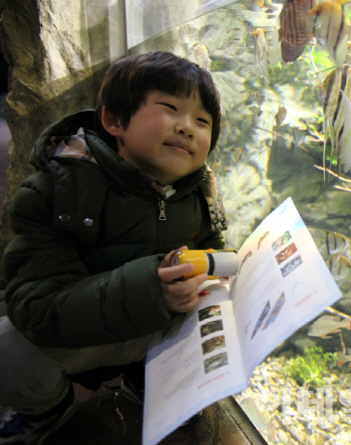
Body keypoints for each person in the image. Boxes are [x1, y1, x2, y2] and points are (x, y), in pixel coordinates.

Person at [0, 51, 227, 444]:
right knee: (8, 354)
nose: (188, 128)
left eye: (202, 121)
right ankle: (50, 405)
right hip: (75, 335)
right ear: (114, 120)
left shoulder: (202, 193)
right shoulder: (56, 191)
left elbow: (214, 257)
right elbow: (37, 307)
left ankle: (148, 384)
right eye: (171, 108)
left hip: (154, 332)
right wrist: (151, 289)